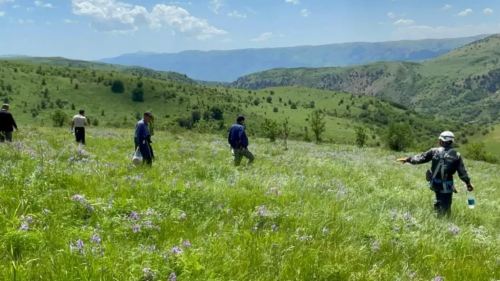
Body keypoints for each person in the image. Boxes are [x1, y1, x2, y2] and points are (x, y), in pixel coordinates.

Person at [397, 131, 474, 216]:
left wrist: (408, 159)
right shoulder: (456, 155)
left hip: (435, 183)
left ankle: (437, 216)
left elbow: (420, 158)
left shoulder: (433, 151)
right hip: (447, 185)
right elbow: (462, 173)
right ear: (451, 142)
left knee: (438, 200)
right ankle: (444, 221)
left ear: (441, 141)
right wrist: (468, 183)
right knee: (446, 206)